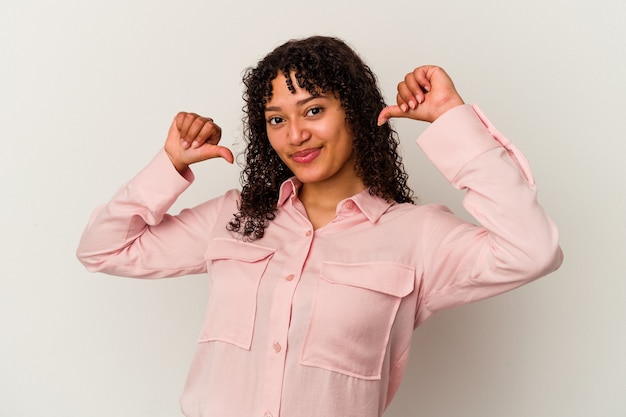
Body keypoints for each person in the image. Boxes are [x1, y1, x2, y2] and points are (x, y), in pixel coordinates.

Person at [76, 36, 563, 417]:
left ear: (354, 108)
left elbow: (532, 249)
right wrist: (168, 165)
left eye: (313, 109)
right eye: (275, 119)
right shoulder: (236, 216)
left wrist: (451, 121)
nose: (296, 135)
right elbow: (102, 250)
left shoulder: (416, 236)